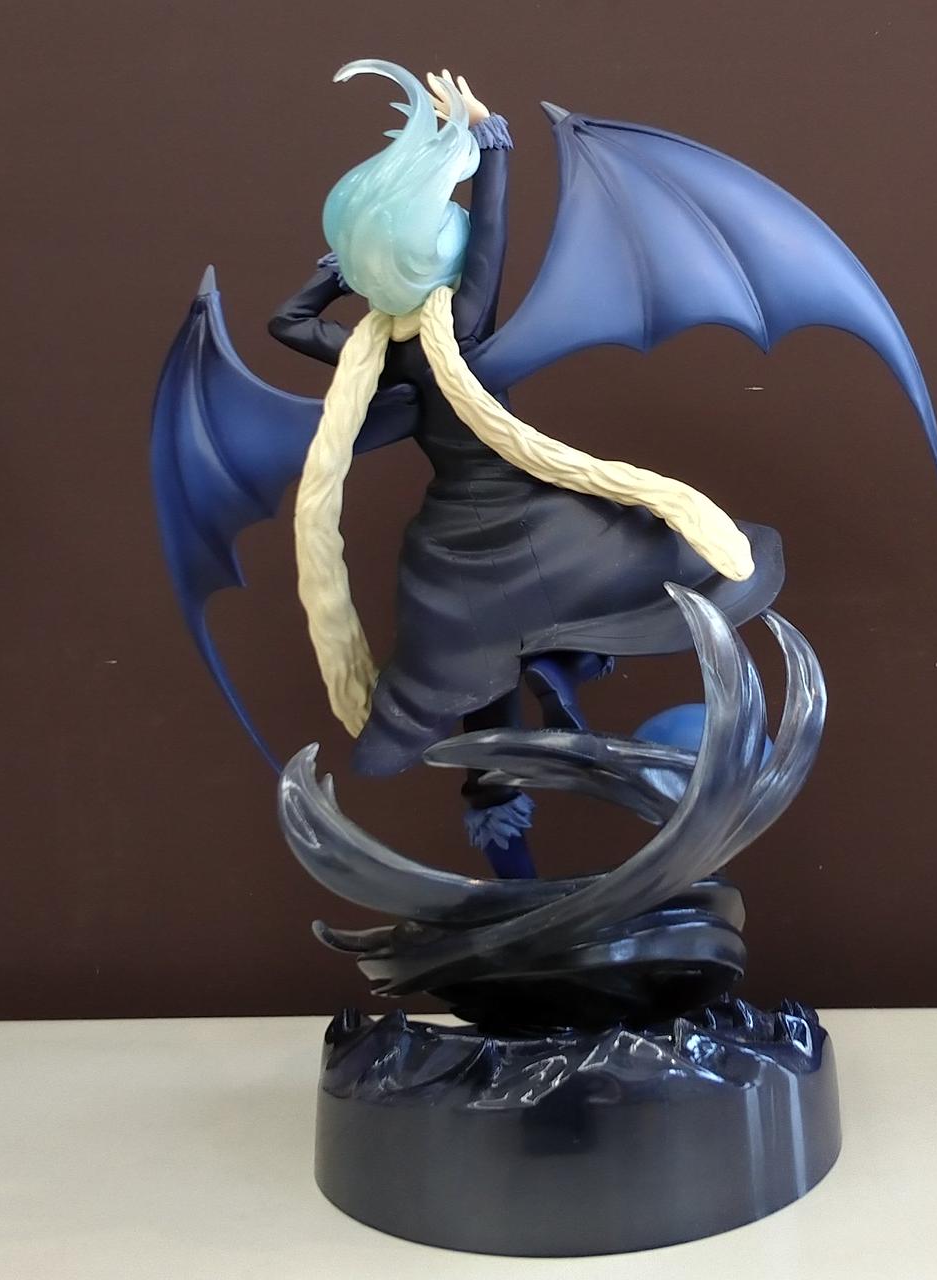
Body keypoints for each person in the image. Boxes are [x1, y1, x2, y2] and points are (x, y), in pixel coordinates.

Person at [269, 68, 784, 876]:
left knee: (482, 714)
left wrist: (338, 274)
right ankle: (554, 688)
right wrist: (492, 139)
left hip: (456, 554)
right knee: (621, 588)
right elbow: (493, 232)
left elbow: (287, 321)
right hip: (540, 525)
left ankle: (525, 796)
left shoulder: (381, 356)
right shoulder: (464, 326)